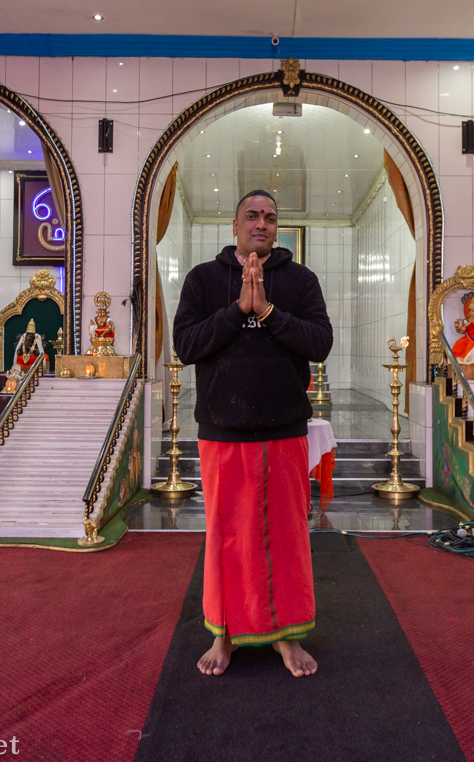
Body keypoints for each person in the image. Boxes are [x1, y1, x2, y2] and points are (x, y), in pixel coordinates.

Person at [173, 189, 333, 678]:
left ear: (276, 227)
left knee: (287, 536)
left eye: (270, 216)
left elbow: (320, 343)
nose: (261, 223)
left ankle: (286, 637)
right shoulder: (203, 279)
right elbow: (184, 345)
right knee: (226, 536)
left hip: (284, 429)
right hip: (222, 430)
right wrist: (236, 309)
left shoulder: (300, 280)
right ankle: (223, 633)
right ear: (235, 225)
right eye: (251, 216)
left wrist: (267, 312)